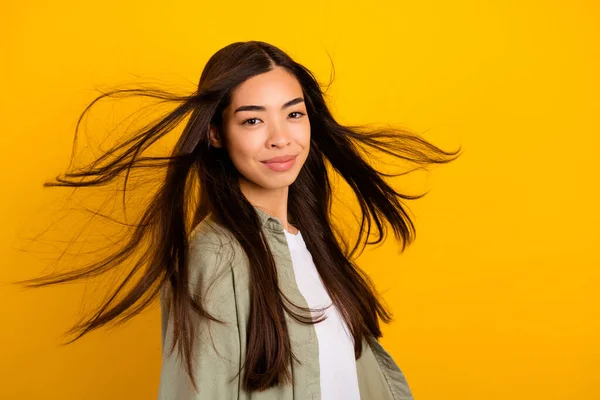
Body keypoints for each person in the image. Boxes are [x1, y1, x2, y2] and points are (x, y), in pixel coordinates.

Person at [20, 41, 461, 399]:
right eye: (253, 120)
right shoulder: (217, 256)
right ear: (216, 133)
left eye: (294, 114)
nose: (280, 138)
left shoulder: (312, 245)